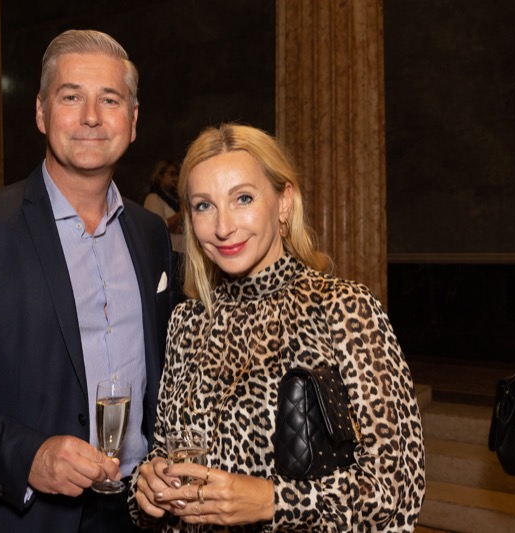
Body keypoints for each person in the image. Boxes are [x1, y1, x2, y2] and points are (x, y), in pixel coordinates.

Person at [0, 29, 174, 532]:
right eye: (71, 97)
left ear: (132, 121)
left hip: (134, 511)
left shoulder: (150, 234)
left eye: (110, 99)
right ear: (41, 113)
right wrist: (27, 456)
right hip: (15, 514)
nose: (91, 116)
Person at [129, 124, 425, 532]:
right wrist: (147, 488)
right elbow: (167, 454)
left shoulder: (343, 309)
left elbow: (396, 490)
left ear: (284, 202)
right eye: (204, 205)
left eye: (243, 198)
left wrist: (271, 501)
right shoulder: (186, 323)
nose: (223, 226)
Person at [144, 160, 185, 303]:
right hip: (168, 259)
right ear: (160, 176)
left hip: (183, 255)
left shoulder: (174, 198)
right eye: (172, 174)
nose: (175, 178)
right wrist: (181, 213)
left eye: (177, 174)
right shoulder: (153, 198)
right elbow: (157, 226)